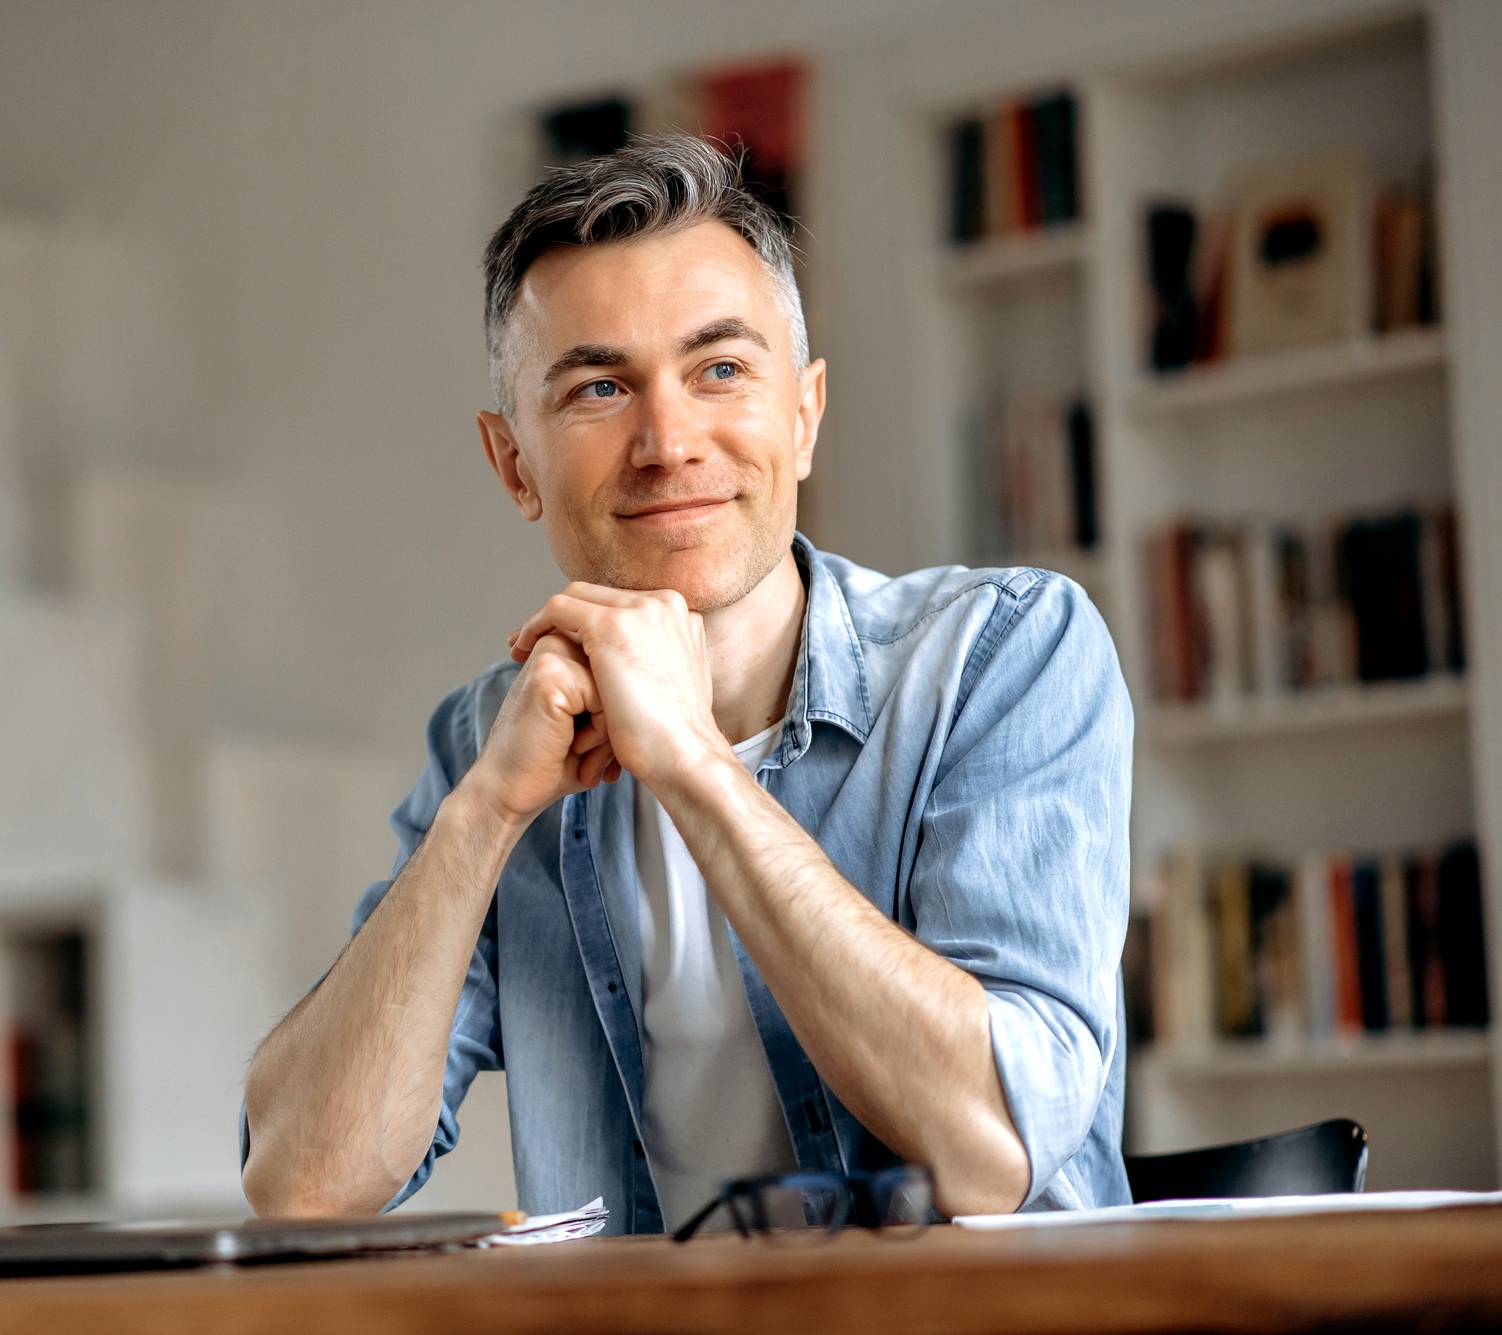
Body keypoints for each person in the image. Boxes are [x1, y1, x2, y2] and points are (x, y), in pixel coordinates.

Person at [241, 136, 1131, 1232]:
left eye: (719, 370)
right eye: (600, 387)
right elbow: (301, 1185)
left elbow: (993, 1148)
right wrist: (484, 813)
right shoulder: (488, 741)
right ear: (512, 463)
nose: (666, 442)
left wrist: (695, 766)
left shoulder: (1005, 656)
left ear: (801, 416)